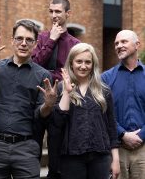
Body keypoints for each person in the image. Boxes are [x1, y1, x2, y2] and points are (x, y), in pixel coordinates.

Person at [0, 19, 57, 179]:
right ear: (12, 41)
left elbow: (40, 115)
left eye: (29, 40)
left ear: (35, 44)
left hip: (26, 148)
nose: (23, 43)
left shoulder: (43, 75)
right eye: (19, 38)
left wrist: (48, 105)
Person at [31, 0, 80, 179]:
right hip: (38, 98)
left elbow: (77, 74)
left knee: (56, 152)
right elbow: (34, 66)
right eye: (51, 11)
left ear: (68, 14)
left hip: (61, 101)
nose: (54, 15)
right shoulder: (41, 38)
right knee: (33, 149)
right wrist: (51, 40)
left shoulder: (75, 44)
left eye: (58, 11)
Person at [56, 43, 120, 179]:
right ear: (71, 63)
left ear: (93, 65)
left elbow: (111, 127)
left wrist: (115, 159)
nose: (83, 66)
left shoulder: (104, 91)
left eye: (87, 62)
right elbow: (58, 121)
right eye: (79, 61)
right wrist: (67, 92)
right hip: (71, 157)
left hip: (100, 157)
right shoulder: (61, 88)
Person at [102, 30, 145, 179]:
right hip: (117, 149)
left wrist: (141, 135)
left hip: (144, 149)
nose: (119, 46)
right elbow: (103, 112)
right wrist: (123, 134)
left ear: (137, 45)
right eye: (116, 43)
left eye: (123, 42)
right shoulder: (106, 78)